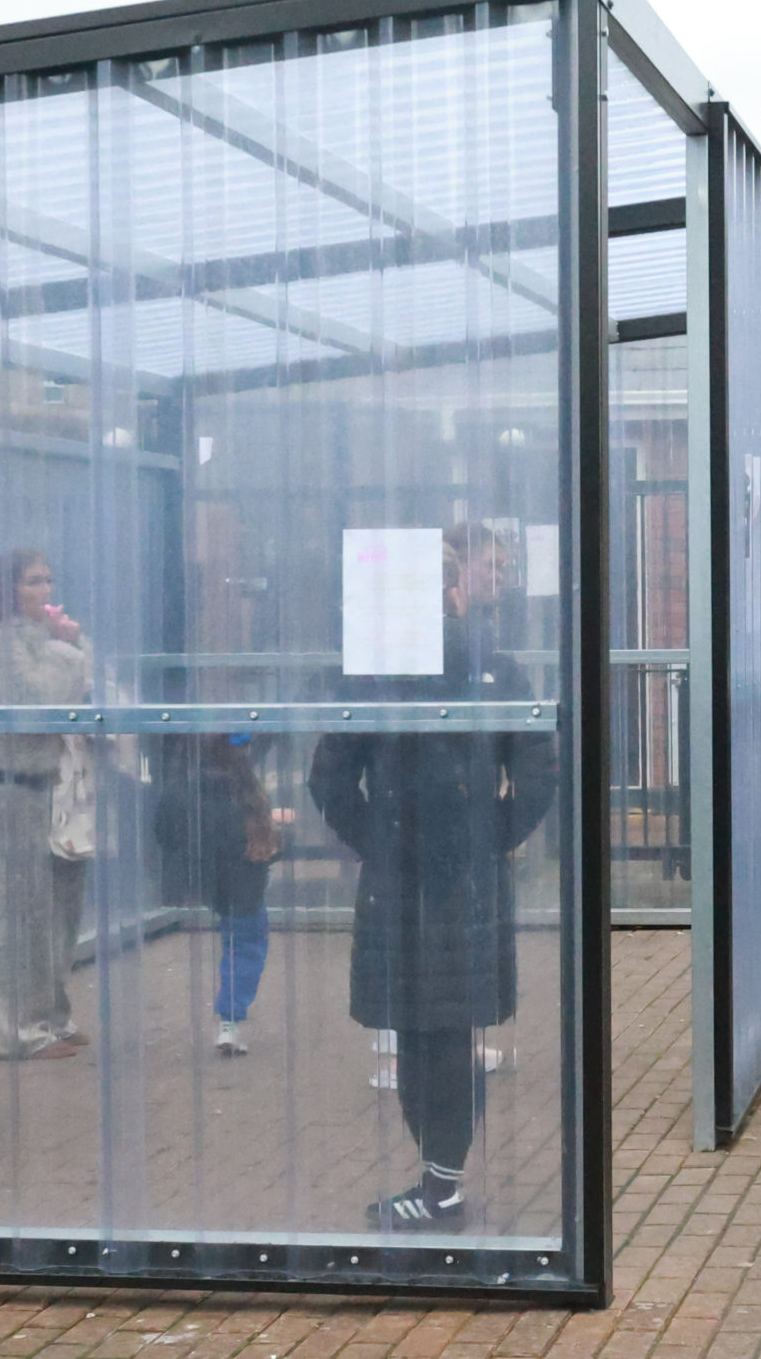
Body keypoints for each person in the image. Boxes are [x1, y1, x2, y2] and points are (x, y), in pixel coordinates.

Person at [309, 523, 557, 1231]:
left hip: (400, 879)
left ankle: (440, 1186)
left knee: (423, 1034)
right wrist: (490, 838)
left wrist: (379, 843)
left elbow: (327, 776)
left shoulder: (371, 671)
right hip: (465, 878)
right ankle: (441, 1180)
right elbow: (540, 771)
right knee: (446, 1031)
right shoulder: (497, 666)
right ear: (451, 590)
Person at [0, 548, 95, 1061]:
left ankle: (53, 1017)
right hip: (18, 787)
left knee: (61, 912)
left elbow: (87, 693)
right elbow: (41, 701)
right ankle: (17, 1030)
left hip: (60, 783)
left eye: (49, 580)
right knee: (22, 915)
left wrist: (71, 645)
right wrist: (70, 650)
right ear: (8, 590)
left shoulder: (50, 640)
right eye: (34, 582)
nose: (46, 592)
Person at [154, 734, 288, 1055]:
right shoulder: (248, 793)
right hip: (245, 883)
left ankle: (230, 1020)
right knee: (245, 946)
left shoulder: (180, 790)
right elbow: (269, 846)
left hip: (198, 878)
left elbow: (162, 830)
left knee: (237, 938)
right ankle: (230, 1021)